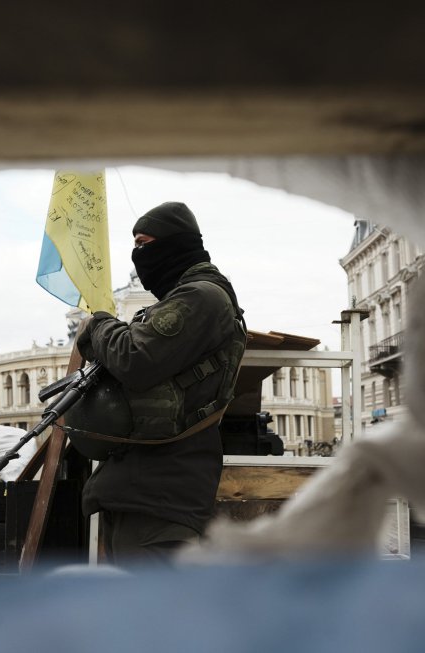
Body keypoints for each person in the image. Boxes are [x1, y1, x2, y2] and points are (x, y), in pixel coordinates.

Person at [74, 201, 246, 565]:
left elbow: (133, 358)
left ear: (176, 244)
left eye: (145, 244)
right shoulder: (184, 298)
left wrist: (99, 323)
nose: (139, 255)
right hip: (141, 488)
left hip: (162, 497)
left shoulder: (200, 297)